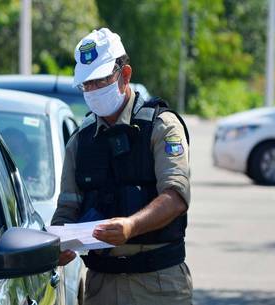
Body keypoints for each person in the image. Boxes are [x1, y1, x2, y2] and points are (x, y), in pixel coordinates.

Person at [51, 28, 192, 305]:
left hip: (159, 285)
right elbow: (66, 210)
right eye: (86, 84)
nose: (92, 90)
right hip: (102, 287)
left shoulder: (161, 127)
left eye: (100, 80)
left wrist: (130, 226)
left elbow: (176, 196)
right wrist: (60, 243)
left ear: (125, 75)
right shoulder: (80, 141)